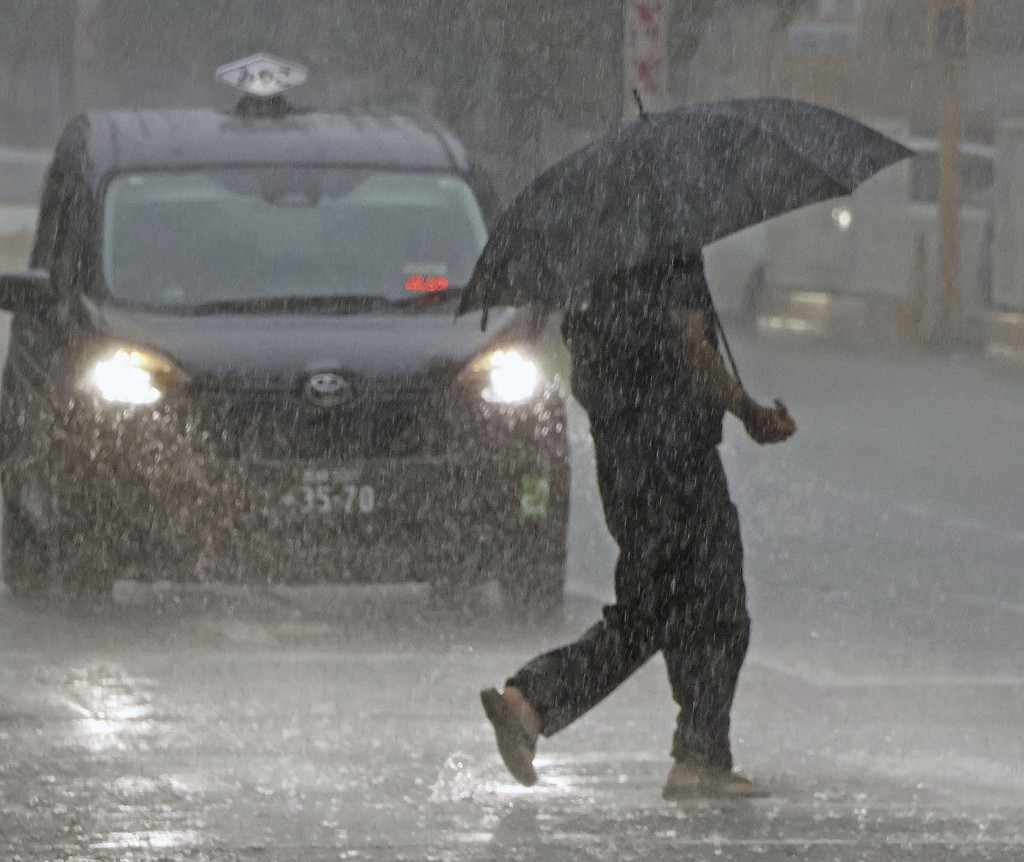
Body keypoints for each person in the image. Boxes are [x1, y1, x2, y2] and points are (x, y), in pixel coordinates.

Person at [480, 253, 796, 799]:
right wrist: (747, 409)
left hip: (625, 467)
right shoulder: (671, 241)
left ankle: (530, 703)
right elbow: (693, 346)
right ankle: (699, 756)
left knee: (651, 610)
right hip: (678, 461)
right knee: (717, 607)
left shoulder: (594, 262)